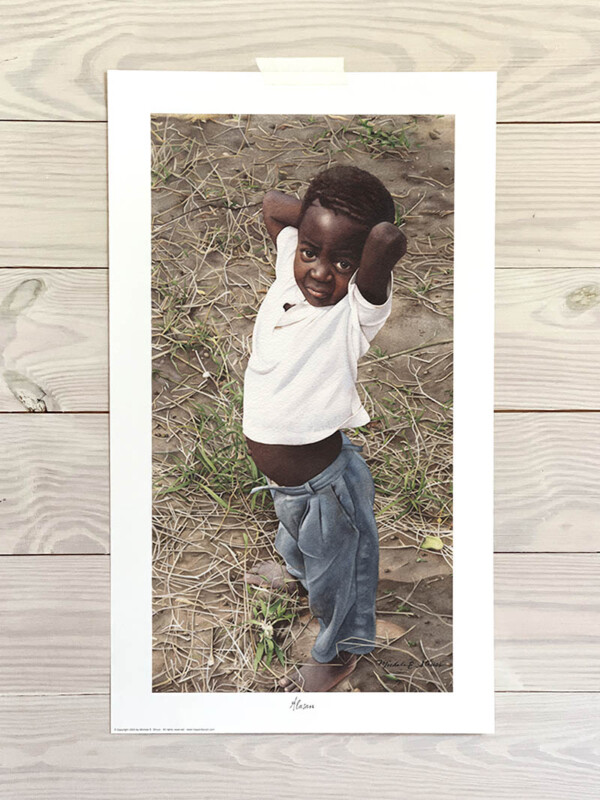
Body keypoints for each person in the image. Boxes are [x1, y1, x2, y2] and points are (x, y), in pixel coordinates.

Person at [242, 165, 406, 692]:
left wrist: (346, 237)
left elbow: (385, 238)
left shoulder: (355, 312)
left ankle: (341, 648)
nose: (318, 272)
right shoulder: (289, 274)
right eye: (310, 252)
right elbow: (272, 202)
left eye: (341, 263)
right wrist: (317, 214)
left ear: (361, 269)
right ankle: (297, 574)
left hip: (328, 485)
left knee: (342, 571)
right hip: (286, 480)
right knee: (295, 535)